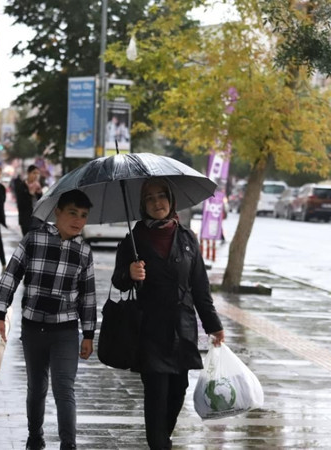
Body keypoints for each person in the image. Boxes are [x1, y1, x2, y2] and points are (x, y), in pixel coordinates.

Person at [112, 178, 225, 450]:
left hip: (183, 330)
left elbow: (200, 287)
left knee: (177, 392)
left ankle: (162, 441)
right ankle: (159, 445)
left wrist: (214, 325)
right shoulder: (134, 240)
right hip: (149, 330)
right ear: (142, 204)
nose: (156, 202)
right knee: (157, 395)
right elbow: (118, 281)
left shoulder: (187, 238)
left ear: (171, 200)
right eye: (149, 198)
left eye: (161, 196)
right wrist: (129, 273)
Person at [0, 189, 96, 450]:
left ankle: (68, 445)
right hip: (34, 327)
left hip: (66, 330)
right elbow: (10, 277)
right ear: (57, 212)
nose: (78, 221)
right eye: (72, 213)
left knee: (64, 387)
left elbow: (88, 297)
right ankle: (35, 437)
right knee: (37, 387)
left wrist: (89, 334)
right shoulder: (34, 239)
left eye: (83, 216)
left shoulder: (83, 252)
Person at [15, 165, 44, 236]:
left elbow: (41, 203)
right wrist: (30, 194)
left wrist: (40, 193)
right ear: (28, 173)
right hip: (26, 220)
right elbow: (21, 204)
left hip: (37, 219)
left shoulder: (38, 186)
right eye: (34, 173)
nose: (36, 175)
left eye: (37, 173)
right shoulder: (22, 186)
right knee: (27, 243)